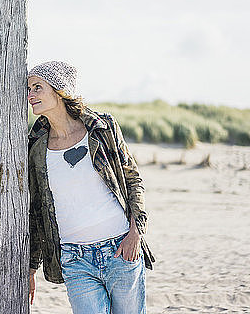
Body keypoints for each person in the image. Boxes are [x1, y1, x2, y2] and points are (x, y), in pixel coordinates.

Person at [27, 61, 155, 314]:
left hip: (121, 249)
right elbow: (37, 210)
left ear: (59, 90)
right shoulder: (36, 146)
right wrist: (32, 267)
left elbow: (132, 180)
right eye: (29, 88)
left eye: (37, 87)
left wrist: (136, 233)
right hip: (74, 259)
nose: (30, 95)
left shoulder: (101, 129)